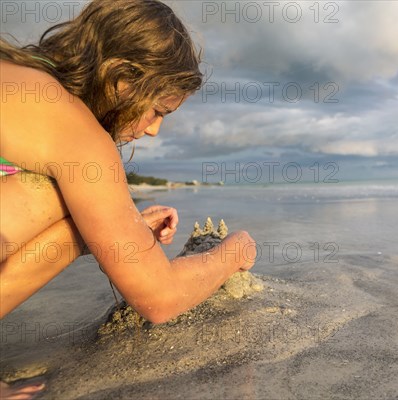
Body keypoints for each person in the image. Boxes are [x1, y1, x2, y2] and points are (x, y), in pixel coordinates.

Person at [0, 1, 256, 398]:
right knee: (59, 195)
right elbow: (160, 297)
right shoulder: (78, 135)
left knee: (74, 209)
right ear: (120, 76)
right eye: (157, 110)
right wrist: (236, 249)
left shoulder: (24, 76)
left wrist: (117, 228)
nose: (154, 130)